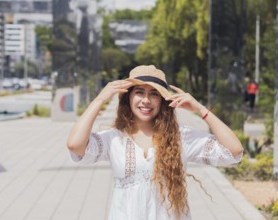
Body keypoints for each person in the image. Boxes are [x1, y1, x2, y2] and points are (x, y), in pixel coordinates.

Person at [67, 65, 243, 220]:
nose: (146, 100)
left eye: (154, 94)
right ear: (128, 98)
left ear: (163, 101)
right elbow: (75, 146)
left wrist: (201, 109)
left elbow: (234, 152)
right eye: (139, 92)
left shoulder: (181, 137)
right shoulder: (114, 139)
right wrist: (99, 99)